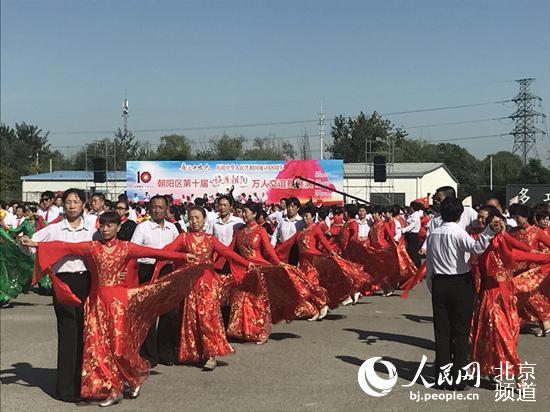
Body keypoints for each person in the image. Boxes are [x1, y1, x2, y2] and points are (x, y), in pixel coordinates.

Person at [23, 212, 202, 406]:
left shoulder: (126, 248)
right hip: (97, 302)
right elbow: (65, 246)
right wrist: (37, 244)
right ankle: (111, 388)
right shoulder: (92, 247)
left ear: (118, 227)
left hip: (118, 303)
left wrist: (183, 256)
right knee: (98, 347)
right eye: (103, 225)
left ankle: (132, 376)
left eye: (110, 225)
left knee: (118, 347)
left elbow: (154, 252)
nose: (106, 229)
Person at [25, 188, 98, 402]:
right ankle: (66, 389)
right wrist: (25, 243)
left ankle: (85, 384)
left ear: (84, 204)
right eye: (68, 202)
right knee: (68, 332)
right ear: (63, 204)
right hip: (63, 283)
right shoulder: (54, 229)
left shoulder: (92, 229)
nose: (72, 205)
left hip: (87, 282)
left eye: (76, 201)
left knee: (85, 332)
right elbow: (32, 246)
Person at [425, 197, 502, 390]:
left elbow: (430, 263)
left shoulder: (433, 234)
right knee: (460, 331)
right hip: (460, 283)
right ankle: (458, 378)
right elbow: (476, 248)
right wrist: (489, 231)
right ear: (460, 215)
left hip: (439, 283)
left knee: (442, 332)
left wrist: (432, 285)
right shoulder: (458, 233)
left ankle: (442, 378)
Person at [163, 206, 253, 370]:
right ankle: (197, 352)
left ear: (204, 220)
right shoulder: (183, 238)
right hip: (190, 285)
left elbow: (227, 252)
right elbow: (166, 251)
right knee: (192, 318)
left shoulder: (210, 239)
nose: (194, 221)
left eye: (197, 217)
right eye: (191, 218)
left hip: (207, 284)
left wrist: (247, 263)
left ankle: (211, 354)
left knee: (208, 318)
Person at [469, 206, 550, 385]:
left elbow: (519, 251)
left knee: (508, 337)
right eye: (480, 219)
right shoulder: (477, 243)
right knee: (501, 337)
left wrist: (535, 254)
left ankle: (495, 370)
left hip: (507, 297)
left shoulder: (504, 239)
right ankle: (519, 376)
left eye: (485, 219)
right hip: (490, 299)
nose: (480, 222)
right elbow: (509, 256)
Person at [130, 195, 180, 366]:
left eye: (161, 207)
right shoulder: (142, 228)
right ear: (149, 209)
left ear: (167, 209)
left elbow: (178, 251)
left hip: (166, 271)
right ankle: (149, 355)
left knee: (169, 312)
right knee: (148, 314)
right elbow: (134, 251)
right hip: (147, 270)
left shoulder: (173, 228)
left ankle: (166, 352)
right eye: (154, 207)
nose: (158, 210)